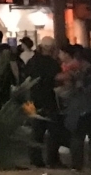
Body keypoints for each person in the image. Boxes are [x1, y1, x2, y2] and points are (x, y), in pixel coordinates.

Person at [59, 43, 91, 172]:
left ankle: (77, 165)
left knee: (77, 136)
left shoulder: (78, 71)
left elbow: (73, 88)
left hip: (80, 106)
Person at [20, 37, 62, 167]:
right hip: (48, 99)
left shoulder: (32, 62)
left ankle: (36, 159)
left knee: (37, 131)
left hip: (34, 98)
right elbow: (56, 80)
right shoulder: (52, 64)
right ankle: (52, 159)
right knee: (54, 131)